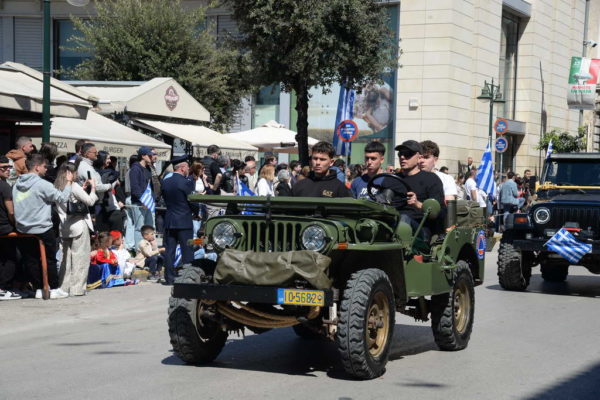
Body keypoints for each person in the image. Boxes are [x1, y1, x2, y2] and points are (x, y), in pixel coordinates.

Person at [13, 154, 73, 299]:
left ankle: (39, 288)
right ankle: (53, 288)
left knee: (31, 260)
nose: (46, 169)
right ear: (37, 167)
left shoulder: (16, 184)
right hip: (42, 227)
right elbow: (62, 198)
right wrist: (69, 182)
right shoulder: (42, 184)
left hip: (23, 228)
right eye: (45, 166)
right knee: (50, 259)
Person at [55, 162, 97, 297]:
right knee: (80, 258)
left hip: (64, 227)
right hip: (79, 225)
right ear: (70, 173)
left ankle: (64, 287)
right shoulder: (73, 186)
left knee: (65, 260)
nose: (77, 175)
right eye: (75, 172)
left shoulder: (56, 186)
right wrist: (93, 188)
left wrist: (82, 189)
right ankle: (77, 289)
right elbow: (90, 201)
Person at [395, 140, 445, 240]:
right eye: (400, 154)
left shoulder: (431, 179)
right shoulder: (391, 179)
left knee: (403, 218)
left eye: (407, 154)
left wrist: (417, 204)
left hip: (420, 231)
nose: (402, 157)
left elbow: (440, 213)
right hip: (392, 223)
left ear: (419, 157)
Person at [161, 155, 198, 285]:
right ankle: (188, 278)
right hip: (184, 221)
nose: (188, 169)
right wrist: (197, 213)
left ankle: (169, 278)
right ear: (182, 168)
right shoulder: (186, 182)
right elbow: (193, 201)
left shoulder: (165, 181)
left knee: (169, 251)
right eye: (187, 167)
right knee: (187, 250)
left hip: (170, 220)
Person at [128, 146, 155, 248]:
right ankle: (139, 250)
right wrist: (143, 201)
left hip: (148, 202)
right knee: (139, 228)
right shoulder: (135, 169)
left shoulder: (148, 168)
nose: (152, 157)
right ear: (143, 156)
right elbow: (135, 188)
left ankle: (148, 249)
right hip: (139, 203)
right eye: (150, 155)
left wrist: (152, 199)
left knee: (149, 228)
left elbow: (150, 186)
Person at [0, 155, 19, 300]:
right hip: (5, 227)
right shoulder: (5, 186)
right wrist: (15, 224)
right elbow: (11, 211)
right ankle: (4, 288)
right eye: (3, 168)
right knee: (12, 257)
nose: (7, 170)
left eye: (9, 167)